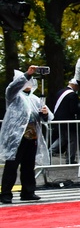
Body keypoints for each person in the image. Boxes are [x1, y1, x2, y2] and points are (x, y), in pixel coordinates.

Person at [1, 67, 49, 203]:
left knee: (28, 166)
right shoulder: (13, 96)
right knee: (12, 165)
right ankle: (5, 193)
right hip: (16, 136)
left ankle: (28, 191)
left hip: (32, 136)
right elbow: (13, 87)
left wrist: (44, 113)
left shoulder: (35, 99)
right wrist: (28, 74)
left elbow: (46, 117)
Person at [47, 79, 80, 163]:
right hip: (68, 121)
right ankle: (70, 159)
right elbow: (73, 110)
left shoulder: (60, 92)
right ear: (75, 86)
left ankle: (49, 152)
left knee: (62, 138)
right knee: (72, 140)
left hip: (58, 119)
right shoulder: (72, 95)